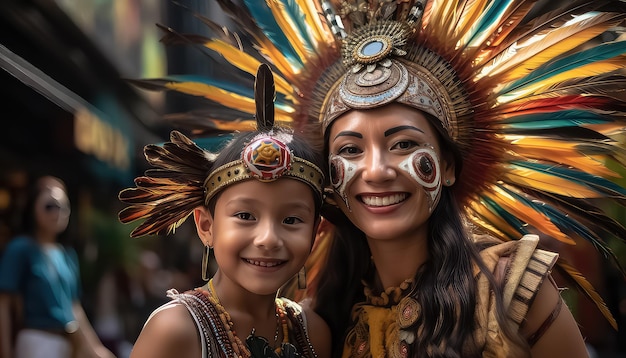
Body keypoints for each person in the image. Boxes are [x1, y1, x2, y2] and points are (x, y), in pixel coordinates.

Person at [128, 1, 626, 357]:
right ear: (329, 184)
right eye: (349, 150)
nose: (376, 169)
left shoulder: (510, 288)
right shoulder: (322, 319)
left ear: (448, 165)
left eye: (404, 144)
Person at [118, 64, 331, 358]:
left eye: (291, 220)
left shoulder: (313, 333)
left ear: (315, 231)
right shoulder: (176, 331)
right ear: (206, 226)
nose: (268, 238)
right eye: (245, 216)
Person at [0, 175, 116, 358]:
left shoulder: (67, 255)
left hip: (65, 344)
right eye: (50, 206)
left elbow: (74, 307)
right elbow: (4, 303)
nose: (58, 212)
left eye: (64, 207)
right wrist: (5, 351)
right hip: (35, 340)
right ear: (33, 207)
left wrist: (96, 349)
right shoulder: (21, 248)